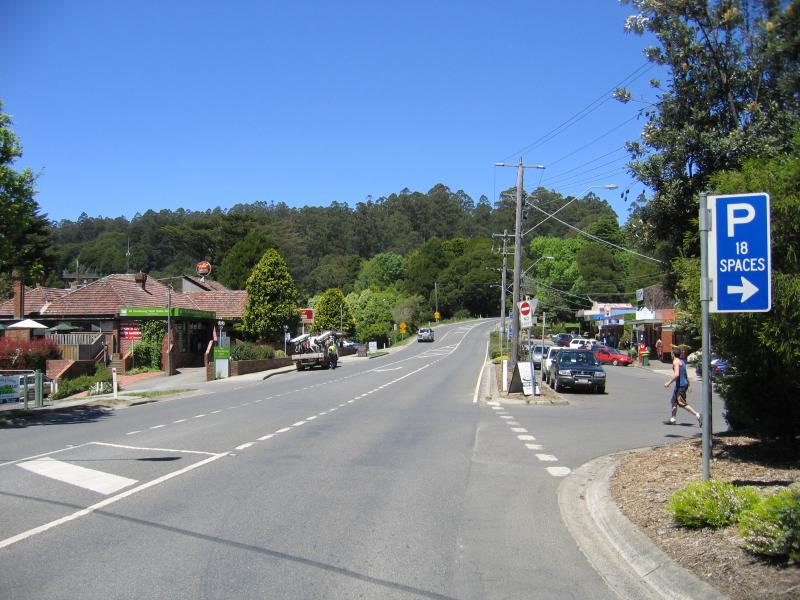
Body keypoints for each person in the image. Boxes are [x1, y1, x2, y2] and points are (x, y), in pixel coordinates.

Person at [664, 346, 701, 426]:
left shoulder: (675, 362)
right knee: (674, 401)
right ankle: (673, 419)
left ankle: (698, 415)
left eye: (671, 353)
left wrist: (668, 382)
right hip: (681, 385)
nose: (671, 354)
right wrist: (689, 385)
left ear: (673, 354)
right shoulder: (682, 361)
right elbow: (685, 374)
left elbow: (677, 374)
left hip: (681, 385)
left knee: (681, 403)